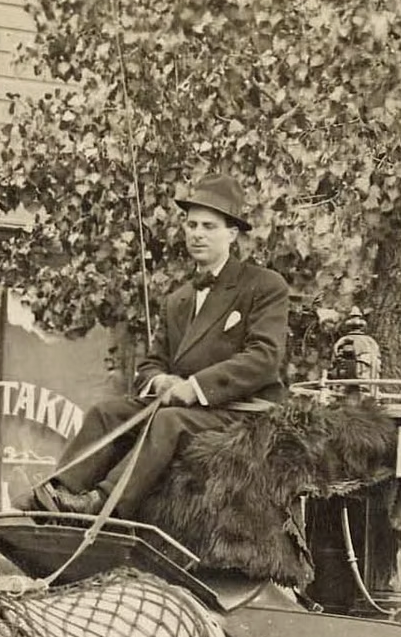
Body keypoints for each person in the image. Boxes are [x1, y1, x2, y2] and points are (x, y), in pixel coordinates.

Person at [34, 174, 291, 518]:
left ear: (232, 233)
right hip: (187, 411)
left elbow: (264, 357)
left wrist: (196, 387)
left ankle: (102, 504)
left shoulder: (263, 285)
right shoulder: (178, 300)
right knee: (106, 413)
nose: (197, 233)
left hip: (242, 415)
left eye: (209, 226)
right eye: (191, 224)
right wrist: (161, 382)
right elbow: (152, 363)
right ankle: (55, 496)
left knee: (167, 422)